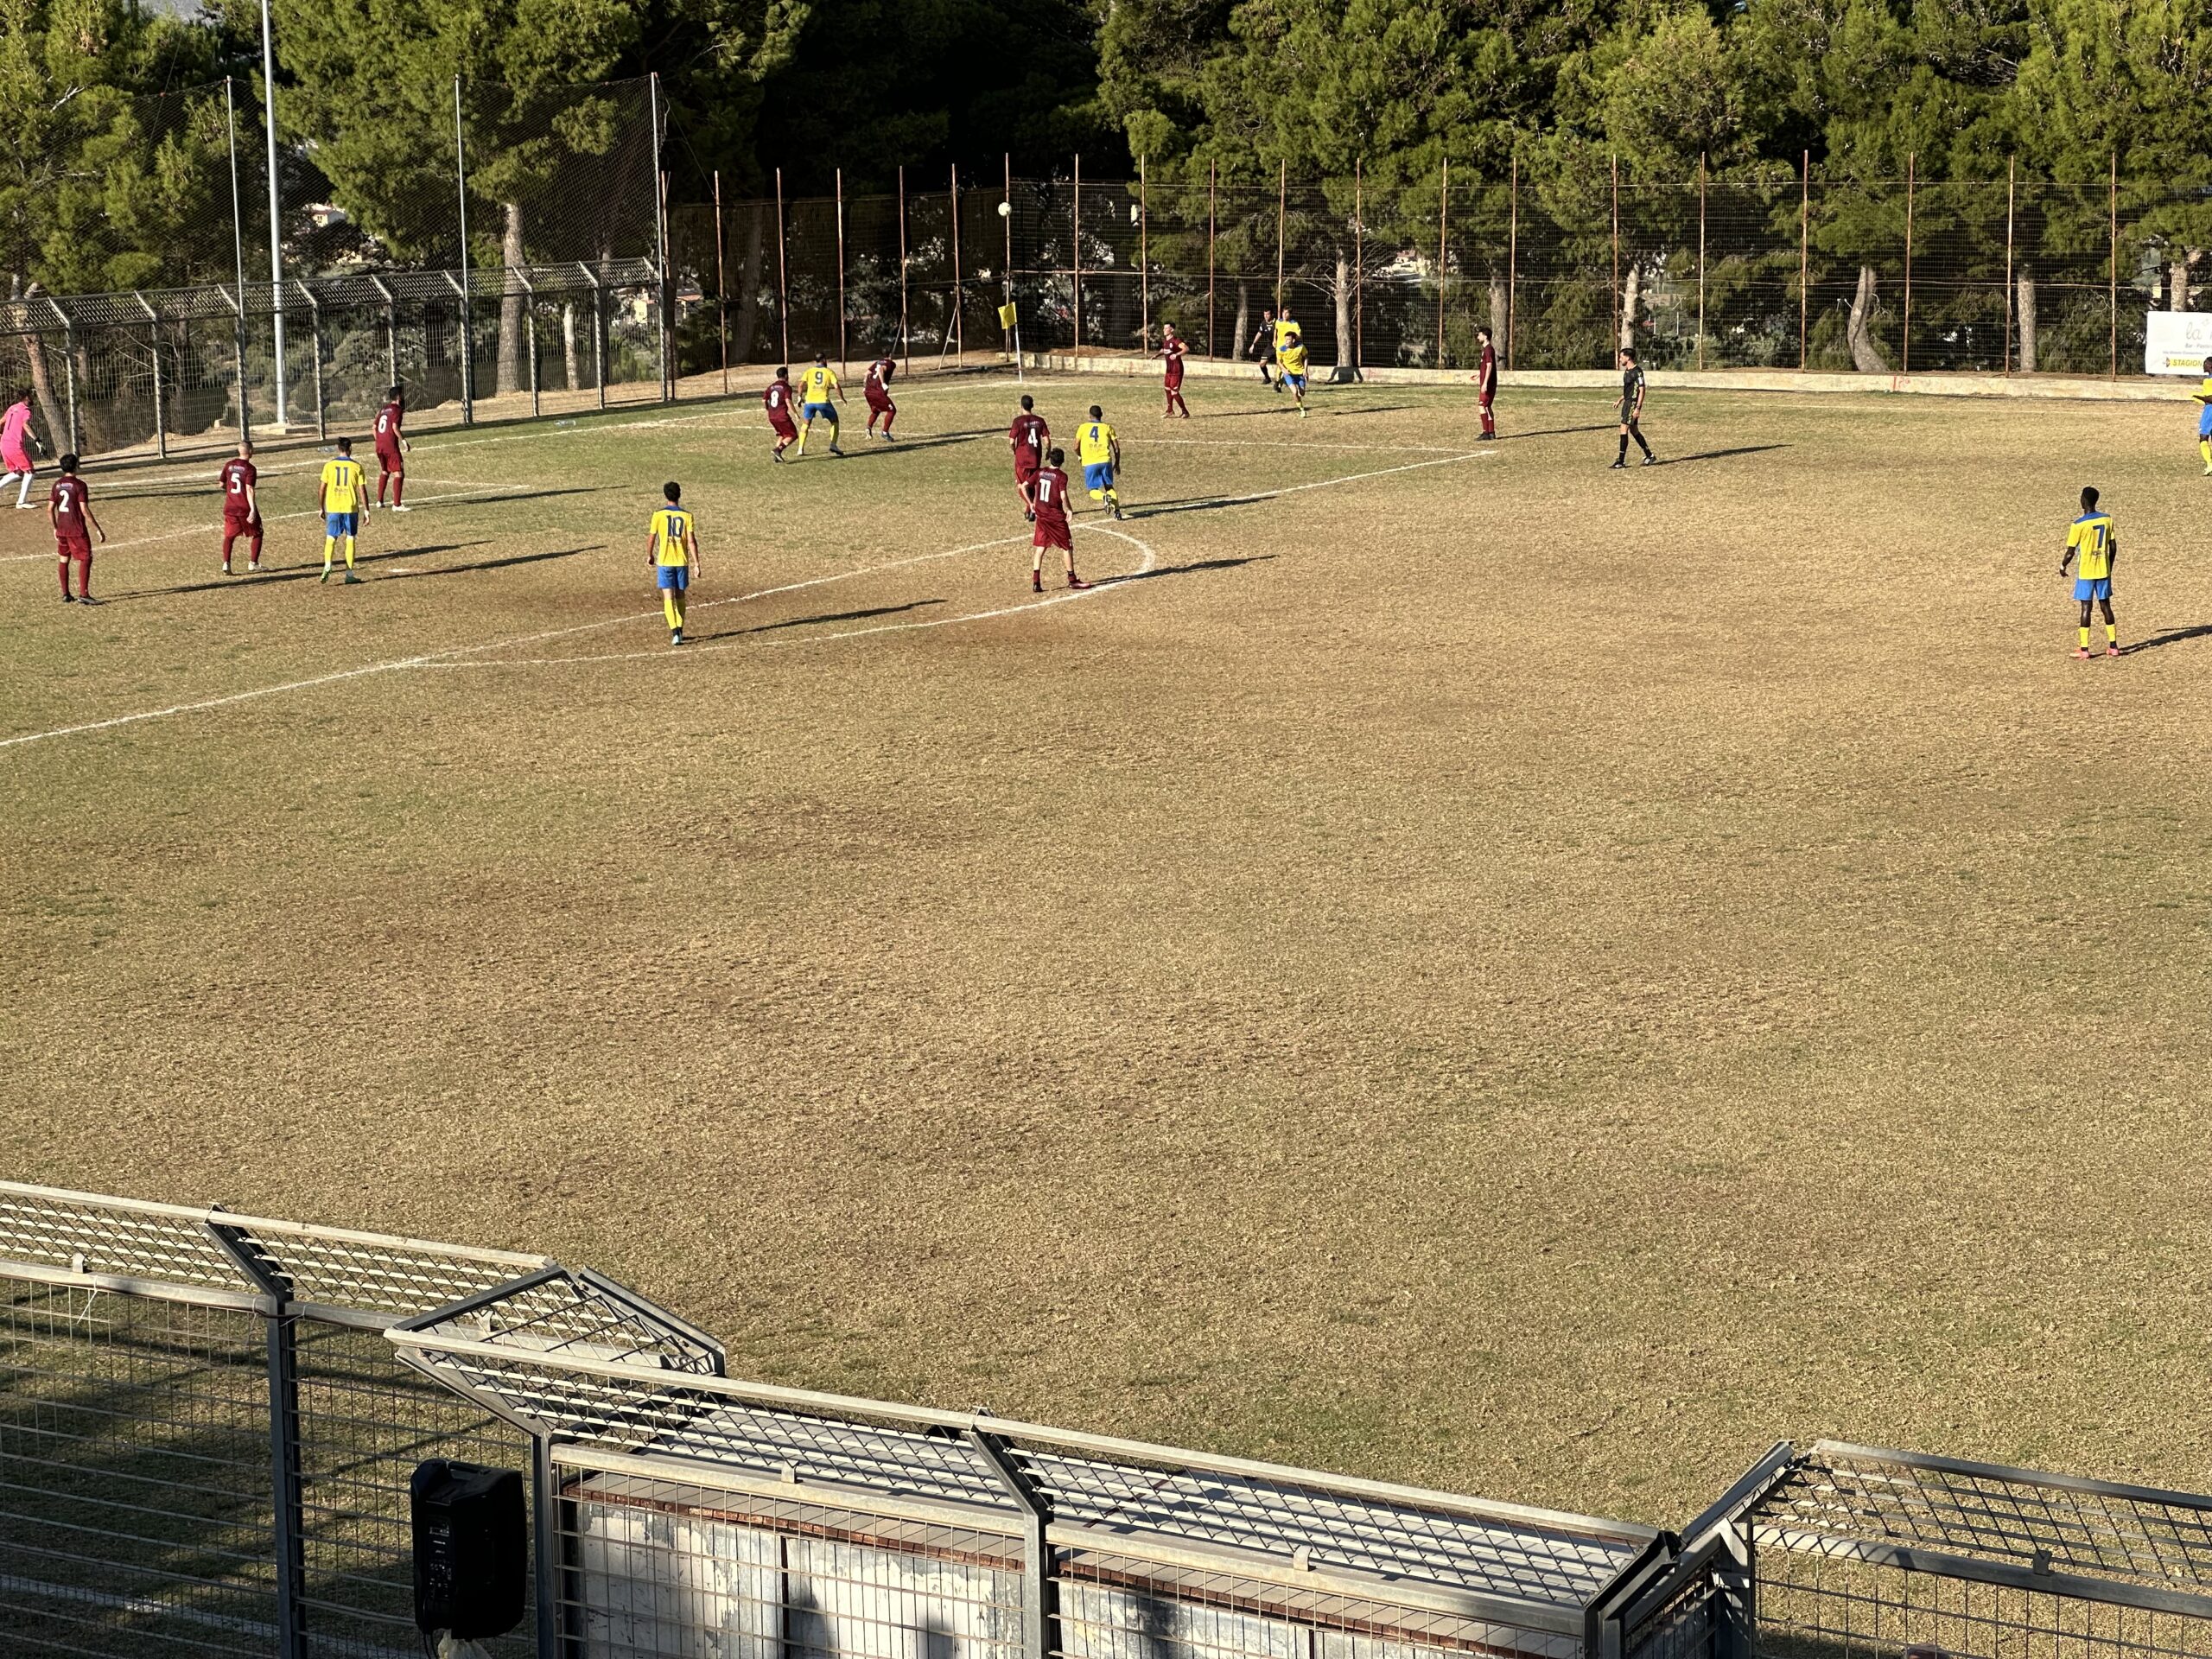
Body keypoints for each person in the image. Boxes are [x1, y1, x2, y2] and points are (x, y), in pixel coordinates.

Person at [2060, 486, 2120, 659]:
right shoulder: (2107, 520)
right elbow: (2113, 546)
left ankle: (2084, 649)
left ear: (2084, 501)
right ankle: (2114, 646)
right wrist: (2110, 565)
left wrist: (2063, 566)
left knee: (2086, 607)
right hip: (2103, 570)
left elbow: (2070, 551)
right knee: (2106, 606)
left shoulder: (2078, 525)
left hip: (2086, 571)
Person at [645, 480, 701, 646]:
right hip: (681, 562)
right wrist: (697, 563)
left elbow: (651, 537)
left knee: (668, 598)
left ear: (665, 495)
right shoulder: (687, 516)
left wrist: (649, 555)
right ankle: (680, 630)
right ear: (679, 495)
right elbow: (691, 541)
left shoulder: (658, 515)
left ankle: (675, 632)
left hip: (664, 562)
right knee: (680, 596)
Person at [1029, 447, 1088, 592]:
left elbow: (1024, 486)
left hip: (1041, 516)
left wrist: (1030, 503)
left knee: (1040, 548)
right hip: (1055, 517)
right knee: (1067, 546)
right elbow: (1063, 496)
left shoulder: (1040, 472)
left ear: (1050, 458)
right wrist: (1069, 509)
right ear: (1062, 461)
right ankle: (1072, 580)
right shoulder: (1061, 476)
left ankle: (1036, 582)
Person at [50, 453, 102, 603]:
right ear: (76, 466)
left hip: (62, 529)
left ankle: (66, 593)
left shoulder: (57, 485)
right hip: (76, 529)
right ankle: (84, 595)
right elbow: (84, 509)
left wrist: (55, 527)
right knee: (86, 558)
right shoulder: (80, 485)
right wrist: (97, 528)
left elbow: (49, 509)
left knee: (64, 558)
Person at [319, 437, 369, 583]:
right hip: (350, 507)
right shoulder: (357, 467)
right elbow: (362, 490)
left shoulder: (329, 465)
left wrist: (321, 507)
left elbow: (322, 488)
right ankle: (349, 574)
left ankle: (328, 564)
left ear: (338, 448)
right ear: (350, 449)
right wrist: (366, 510)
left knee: (331, 537)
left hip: (333, 506)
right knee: (350, 538)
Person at [219, 441, 263, 575]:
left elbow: (221, 484)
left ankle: (226, 563)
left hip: (230, 507)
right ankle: (253, 563)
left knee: (229, 536)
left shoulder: (229, 465)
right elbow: (249, 489)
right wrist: (252, 510)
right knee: (258, 532)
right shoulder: (250, 469)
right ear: (250, 451)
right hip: (244, 507)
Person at [1076, 404, 1122, 519]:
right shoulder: (1107, 427)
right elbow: (1116, 448)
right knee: (1109, 487)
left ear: (1090, 416)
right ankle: (1117, 512)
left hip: (1090, 462)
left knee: (1093, 490)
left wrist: (1080, 455)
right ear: (1101, 415)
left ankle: (1103, 498)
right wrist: (1117, 462)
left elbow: (1076, 446)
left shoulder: (1083, 427)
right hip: (1105, 461)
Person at [1612, 347, 1655, 467]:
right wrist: (1620, 400)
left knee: (1623, 429)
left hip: (1632, 404)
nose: (1620, 359)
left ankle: (1620, 461)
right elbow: (1629, 391)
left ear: (1628, 357)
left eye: (1621, 357)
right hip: (1627, 403)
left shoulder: (1638, 371)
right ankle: (1649, 455)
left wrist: (1638, 408)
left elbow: (1642, 390)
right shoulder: (1627, 371)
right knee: (1634, 430)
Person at [1009, 395, 1049, 520]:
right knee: (1032, 483)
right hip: (1035, 457)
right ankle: (1030, 510)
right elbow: (1047, 440)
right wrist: (1049, 450)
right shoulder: (1040, 420)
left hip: (1022, 459)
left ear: (1021, 406)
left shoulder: (1018, 421)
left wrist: (1015, 450)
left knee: (1021, 484)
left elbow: (1011, 441)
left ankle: (1031, 506)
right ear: (1032, 405)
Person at [796, 355, 843, 457]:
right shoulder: (829, 371)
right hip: (823, 402)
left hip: (809, 402)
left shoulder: (809, 371)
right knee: (835, 421)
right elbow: (836, 386)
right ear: (824, 360)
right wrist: (842, 398)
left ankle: (800, 449)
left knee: (806, 424)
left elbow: (800, 385)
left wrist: (799, 397)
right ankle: (833, 445)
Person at [373, 385, 410, 509]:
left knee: (385, 471)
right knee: (399, 474)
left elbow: (374, 428)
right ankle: (397, 505)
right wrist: (404, 441)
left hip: (379, 445)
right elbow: (395, 427)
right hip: (390, 446)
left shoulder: (383, 409)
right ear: (399, 396)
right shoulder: (397, 410)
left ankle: (379, 501)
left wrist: (379, 440)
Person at [1, 388, 40, 509]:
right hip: (14, 445)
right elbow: (25, 425)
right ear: (27, 397)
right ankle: (22, 502)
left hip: (4, 444)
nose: (33, 398)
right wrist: (37, 440)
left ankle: (22, 501)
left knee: (17, 472)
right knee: (30, 471)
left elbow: (1, 421)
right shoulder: (26, 410)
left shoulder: (12, 408)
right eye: (31, 395)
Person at [764, 366, 800, 461]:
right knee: (793, 435)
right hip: (782, 416)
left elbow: (764, 400)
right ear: (786, 375)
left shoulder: (771, 387)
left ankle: (776, 457)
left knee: (783, 435)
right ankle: (778, 450)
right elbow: (788, 401)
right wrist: (795, 413)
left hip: (772, 416)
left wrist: (768, 409)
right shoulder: (786, 387)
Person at [1471, 327, 1498, 440]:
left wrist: (1485, 383)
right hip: (1488, 382)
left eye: (1480, 335)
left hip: (1488, 383)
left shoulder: (1488, 349)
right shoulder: (1487, 350)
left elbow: (1489, 366)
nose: (1478, 337)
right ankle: (1491, 432)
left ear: (1485, 336)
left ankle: (1485, 433)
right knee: (1487, 407)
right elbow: (1485, 367)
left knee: (1481, 406)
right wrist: (1479, 374)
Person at [863, 353, 898, 441]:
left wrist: (864, 386)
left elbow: (866, 374)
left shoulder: (877, 362)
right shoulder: (891, 363)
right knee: (892, 410)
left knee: (876, 409)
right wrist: (883, 384)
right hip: (877, 391)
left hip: (868, 391)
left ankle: (869, 427)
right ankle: (885, 432)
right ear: (890, 354)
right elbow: (881, 370)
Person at [1278, 330, 1312, 418]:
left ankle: (1289, 383)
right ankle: (1302, 410)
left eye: (1288, 339)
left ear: (1293, 340)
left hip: (1299, 373)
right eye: (1285, 339)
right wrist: (1284, 369)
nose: (1286, 341)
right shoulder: (1281, 349)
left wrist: (1305, 370)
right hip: (1288, 373)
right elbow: (1278, 361)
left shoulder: (1300, 347)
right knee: (1295, 391)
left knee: (1302, 393)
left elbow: (1306, 358)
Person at [1160, 324, 1191, 419]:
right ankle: (1170, 411)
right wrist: (1156, 355)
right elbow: (1164, 350)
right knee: (1167, 389)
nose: (1164, 329)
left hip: (1176, 370)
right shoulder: (1166, 341)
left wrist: (1177, 354)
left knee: (1174, 392)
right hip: (1169, 370)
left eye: (1166, 328)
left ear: (1172, 329)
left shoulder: (1175, 340)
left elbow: (1186, 348)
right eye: (1164, 328)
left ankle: (1185, 412)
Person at [1248, 308, 1278, 389]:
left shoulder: (1277, 322)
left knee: (1280, 365)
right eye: (1264, 314)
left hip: (1279, 346)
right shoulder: (1263, 323)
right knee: (1262, 364)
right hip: (1270, 346)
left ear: (1272, 314)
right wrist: (1253, 344)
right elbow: (1259, 333)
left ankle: (1279, 382)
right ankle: (1267, 378)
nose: (1266, 316)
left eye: (1267, 314)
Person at [2194, 356, 2212, 475]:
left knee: (2203, 437)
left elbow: (2210, 399)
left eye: (2205, 363)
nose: (2203, 365)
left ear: (2211, 365)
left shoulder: (2209, 381)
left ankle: (2210, 464)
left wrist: (2196, 396)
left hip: (2210, 411)